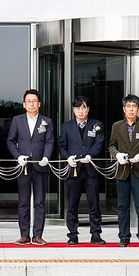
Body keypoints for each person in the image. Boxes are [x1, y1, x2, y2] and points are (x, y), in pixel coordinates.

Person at [7, 89, 54, 245]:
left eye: (34, 101)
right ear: (24, 104)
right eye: (29, 101)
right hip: (24, 166)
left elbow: (49, 141)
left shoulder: (46, 121)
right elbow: (10, 141)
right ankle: (24, 235)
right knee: (23, 201)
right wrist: (18, 156)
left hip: (41, 165)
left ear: (39, 104)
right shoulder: (17, 120)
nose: (31, 104)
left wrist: (46, 157)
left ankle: (37, 235)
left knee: (40, 201)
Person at [108, 94, 139, 247]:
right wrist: (117, 155)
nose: (131, 109)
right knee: (122, 207)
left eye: (134, 106)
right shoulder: (117, 126)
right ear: (124, 109)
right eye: (128, 106)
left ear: (138, 108)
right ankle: (124, 237)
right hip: (122, 171)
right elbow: (112, 146)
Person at [58, 95, 106, 245]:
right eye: (77, 107)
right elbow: (61, 146)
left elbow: (99, 144)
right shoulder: (66, 126)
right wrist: (68, 157)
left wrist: (90, 155)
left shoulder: (96, 124)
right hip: (73, 170)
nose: (80, 110)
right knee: (72, 204)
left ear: (88, 109)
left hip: (91, 169)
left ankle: (96, 234)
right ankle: (72, 235)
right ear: (73, 110)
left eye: (83, 107)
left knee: (94, 203)